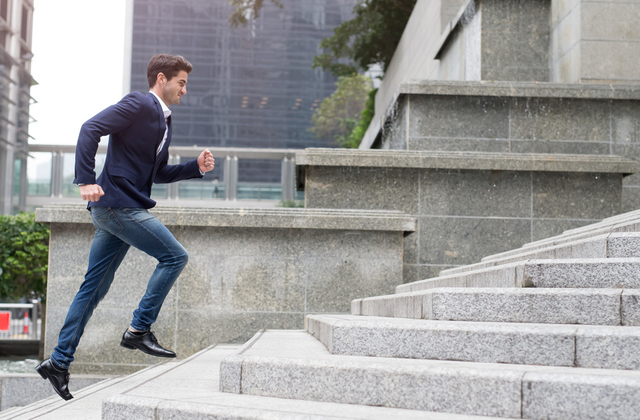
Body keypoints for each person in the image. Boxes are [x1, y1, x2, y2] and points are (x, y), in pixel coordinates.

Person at [36, 54, 214, 401]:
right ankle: (139, 329)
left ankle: (58, 362)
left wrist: (195, 167)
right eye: (182, 83)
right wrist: (85, 179)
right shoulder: (139, 102)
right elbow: (91, 128)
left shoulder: (164, 119)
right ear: (161, 79)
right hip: (119, 206)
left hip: (115, 208)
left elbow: (157, 173)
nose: (185, 90)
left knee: (93, 289)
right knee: (175, 257)